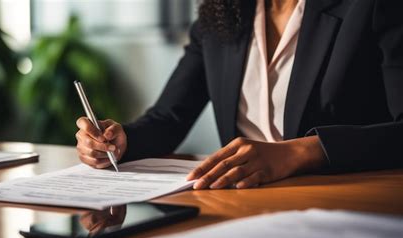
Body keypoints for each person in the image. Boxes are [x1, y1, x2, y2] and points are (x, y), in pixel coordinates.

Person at [75, 0, 403, 190]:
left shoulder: (374, 5)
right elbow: (169, 118)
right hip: (240, 205)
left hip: (337, 201)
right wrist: (120, 140)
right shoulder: (221, 14)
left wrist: (300, 153)